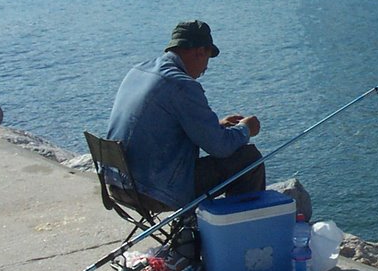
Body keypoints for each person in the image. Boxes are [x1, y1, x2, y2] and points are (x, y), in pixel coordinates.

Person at [105, 20, 264, 213]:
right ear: (199, 52)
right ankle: (239, 231)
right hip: (153, 191)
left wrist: (217, 126)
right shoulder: (182, 85)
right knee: (249, 159)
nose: (205, 68)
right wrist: (246, 129)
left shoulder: (138, 71)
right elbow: (220, 147)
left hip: (118, 183)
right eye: (207, 59)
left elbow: (164, 126)